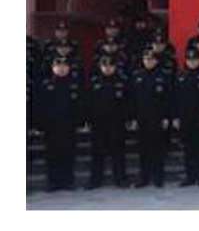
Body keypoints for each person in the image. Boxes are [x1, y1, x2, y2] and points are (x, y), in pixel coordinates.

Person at [37, 57, 83, 191]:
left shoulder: (75, 84)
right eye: (58, 66)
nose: (61, 69)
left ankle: (68, 181)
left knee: (69, 153)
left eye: (64, 66)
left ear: (69, 68)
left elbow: (81, 105)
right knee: (52, 154)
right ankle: (53, 182)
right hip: (51, 126)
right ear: (53, 68)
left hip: (69, 125)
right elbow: (40, 105)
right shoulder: (45, 84)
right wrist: (40, 123)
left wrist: (80, 121)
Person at [85, 55, 130, 189]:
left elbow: (128, 102)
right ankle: (95, 180)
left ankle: (120, 179)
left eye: (110, 66)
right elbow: (88, 103)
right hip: (98, 123)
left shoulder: (122, 82)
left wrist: (128, 118)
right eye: (105, 66)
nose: (108, 68)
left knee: (118, 152)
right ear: (100, 67)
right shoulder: (94, 82)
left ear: (115, 67)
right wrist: (87, 119)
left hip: (117, 123)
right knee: (97, 153)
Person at [172, 48, 199, 187]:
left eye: (195, 60)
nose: (192, 62)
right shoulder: (180, 76)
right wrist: (175, 117)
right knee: (187, 149)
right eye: (189, 60)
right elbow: (175, 98)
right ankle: (190, 177)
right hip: (185, 117)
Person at [130, 49, 171, 188]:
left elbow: (168, 98)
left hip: (157, 117)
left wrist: (166, 117)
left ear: (156, 61)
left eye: (151, 59)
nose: (148, 61)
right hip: (141, 117)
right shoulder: (136, 76)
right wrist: (133, 118)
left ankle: (158, 178)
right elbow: (132, 99)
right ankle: (144, 178)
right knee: (143, 149)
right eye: (146, 59)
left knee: (158, 148)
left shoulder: (163, 76)